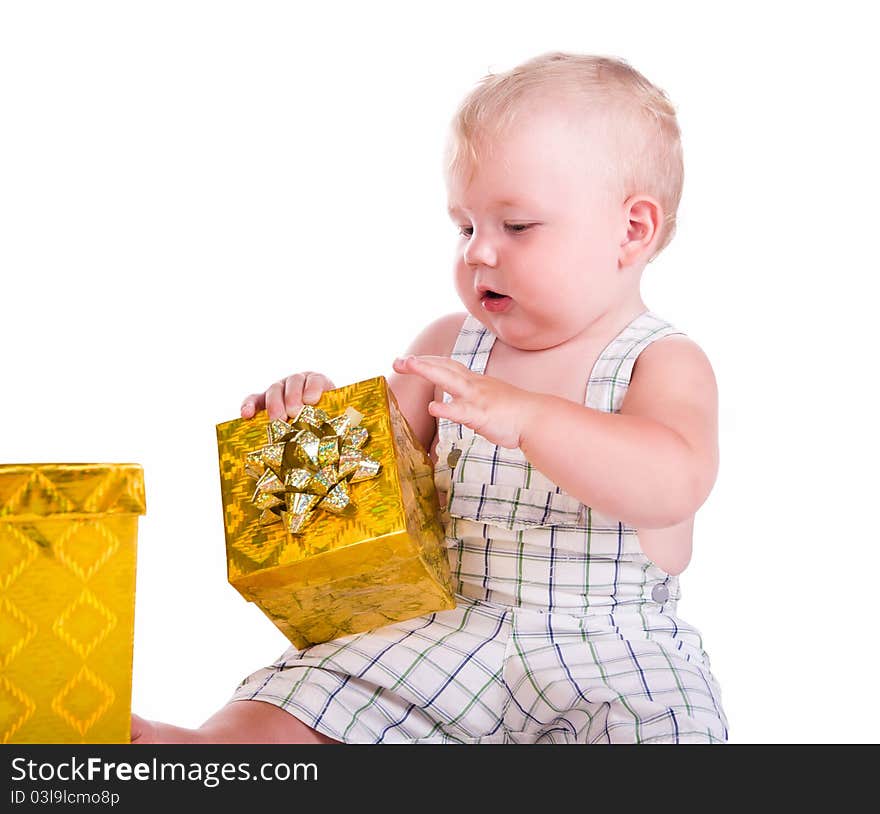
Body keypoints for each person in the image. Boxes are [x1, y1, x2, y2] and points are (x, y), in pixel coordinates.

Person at [132, 51, 728, 744]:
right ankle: (211, 756)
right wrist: (314, 434)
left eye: (516, 226)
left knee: (661, 736)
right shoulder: (450, 347)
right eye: (466, 226)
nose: (478, 252)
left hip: (606, 651)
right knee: (316, 688)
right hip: (446, 635)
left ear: (632, 230)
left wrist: (531, 417)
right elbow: (372, 493)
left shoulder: (659, 361)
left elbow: (671, 484)